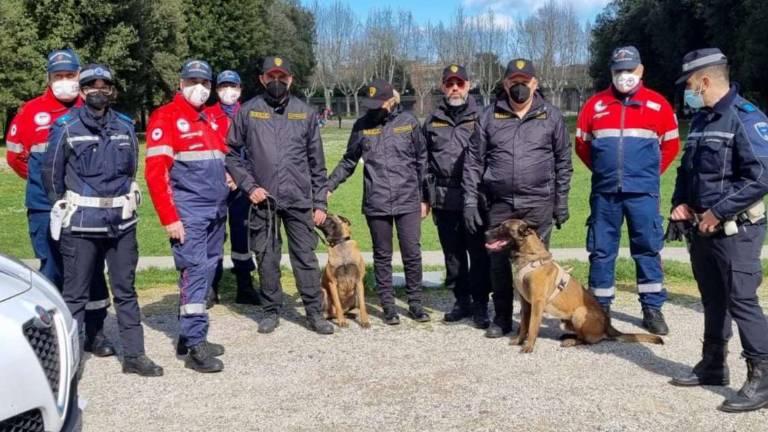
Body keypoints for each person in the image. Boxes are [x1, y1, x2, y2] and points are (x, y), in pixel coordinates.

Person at [42, 64, 162, 376]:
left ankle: (134, 356)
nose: (98, 90)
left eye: (103, 85)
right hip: (81, 226)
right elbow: (51, 177)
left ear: (111, 89)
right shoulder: (65, 127)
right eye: (91, 85)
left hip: (120, 225)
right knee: (75, 297)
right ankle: (67, 366)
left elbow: (130, 170)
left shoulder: (124, 126)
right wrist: (68, 205)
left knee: (126, 291)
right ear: (81, 91)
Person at [668, 48, 768, 413]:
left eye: (690, 84)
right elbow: (685, 170)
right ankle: (713, 365)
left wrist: (717, 211)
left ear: (706, 81)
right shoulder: (700, 120)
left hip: (736, 230)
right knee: (712, 299)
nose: (687, 91)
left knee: (742, 301)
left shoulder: (745, 118)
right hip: (703, 229)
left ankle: (763, 376)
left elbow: (760, 175)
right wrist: (679, 204)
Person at [5, 48, 114, 357]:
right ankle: (52, 340)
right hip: (44, 206)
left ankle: (96, 333)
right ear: (49, 78)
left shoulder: (92, 107)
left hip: (86, 206)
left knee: (92, 270)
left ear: (80, 76)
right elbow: (15, 156)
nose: (65, 81)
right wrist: (48, 182)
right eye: (58, 76)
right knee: (51, 270)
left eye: (70, 75)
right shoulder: (30, 111)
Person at [463, 59, 572, 338]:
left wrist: (561, 202)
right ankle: (501, 318)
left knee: (536, 266)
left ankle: (531, 320)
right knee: (498, 263)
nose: (519, 87)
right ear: (505, 83)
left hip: (538, 202)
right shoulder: (489, 116)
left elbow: (563, 161)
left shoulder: (551, 116)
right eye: (514, 81)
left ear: (535, 83)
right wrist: (470, 201)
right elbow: (474, 161)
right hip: (500, 203)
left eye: (525, 81)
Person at [225, 56, 334, 335]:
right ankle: (270, 310)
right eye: (271, 77)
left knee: (305, 258)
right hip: (264, 201)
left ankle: (313, 312)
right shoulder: (248, 112)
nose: (277, 82)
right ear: (262, 79)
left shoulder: (306, 113)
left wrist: (319, 201)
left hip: (299, 200)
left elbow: (317, 163)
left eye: (282, 77)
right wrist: (250, 187)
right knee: (267, 257)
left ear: (290, 79)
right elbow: (232, 155)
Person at [575, 46, 679, 335]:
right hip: (605, 192)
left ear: (641, 70)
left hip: (643, 192)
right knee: (601, 250)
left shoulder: (658, 105)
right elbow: (582, 145)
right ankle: (600, 307)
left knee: (647, 249)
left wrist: (647, 174)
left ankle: (652, 307)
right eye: (619, 70)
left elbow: (670, 146)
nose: (624, 76)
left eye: (630, 70)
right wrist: (605, 171)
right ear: (611, 71)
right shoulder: (594, 105)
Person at [145, 59, 231, 373]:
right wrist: (170, 218)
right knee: (195, 277)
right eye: (193, 81)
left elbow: (217, 159)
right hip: (189, 216)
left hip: (215, 214)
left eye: (205, 83)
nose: (200, 87)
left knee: (206, 276)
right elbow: (156, 174)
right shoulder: (165, 117)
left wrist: (229, 178)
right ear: (180, 84)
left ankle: (188, 334)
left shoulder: (207, 119)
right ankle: (195, 346)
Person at [327, 79, 431, 325]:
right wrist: (328, 186)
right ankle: (388, 305)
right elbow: (349, 161)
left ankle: (415, 302)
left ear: (391, 101)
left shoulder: (408, 123)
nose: (372, 108)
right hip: (377, 200)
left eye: (377, 104)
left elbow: (422, 162)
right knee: (382, 255)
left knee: (412, 253)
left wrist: (426, 198)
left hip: (408, 199)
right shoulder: (362, 126)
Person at [423, 64, 490, 328]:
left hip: (474, 195)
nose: (454, 88)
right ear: (442, 86)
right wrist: (424, 197)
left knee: (479, 253)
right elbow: (423, 160)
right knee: (453, 255)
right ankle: (462, 300)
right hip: (443, 196)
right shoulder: (432, 119)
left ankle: (482, 304)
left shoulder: (483, 116)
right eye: (449, 83)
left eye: (459, 83)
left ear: (468, 85)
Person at [204, 70, 261, 307]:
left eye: (233, 86)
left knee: (242, 235)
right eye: (224, 86)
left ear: (240, 89)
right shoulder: (207, 115)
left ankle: (245, 286)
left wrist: (240, 177)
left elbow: (255, 150)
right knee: (214, 235)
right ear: (217, 90)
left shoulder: (249, 114)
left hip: (242, 184)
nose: (229, 91)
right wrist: (224, 175)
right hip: (215, 183)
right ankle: (210, 287)